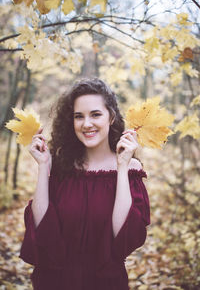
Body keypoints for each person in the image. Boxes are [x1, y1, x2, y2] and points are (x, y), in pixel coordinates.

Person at [19, 77, 150, 290]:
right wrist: (44, 167)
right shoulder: (61, 166)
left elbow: (122, 239)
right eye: (78, 116)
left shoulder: (129, 168)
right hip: (54, 281)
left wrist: (122, 166)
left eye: (96, 114)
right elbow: (42, 230)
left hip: (105, 283)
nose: (86, 124)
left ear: (111, 117)